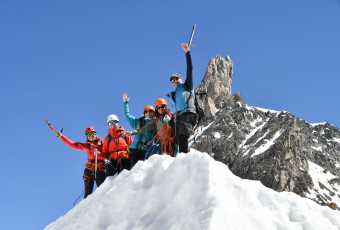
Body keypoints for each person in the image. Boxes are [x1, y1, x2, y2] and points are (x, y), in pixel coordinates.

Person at [57, 127, 106, 198]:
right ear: (87, 137)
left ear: (95, 134)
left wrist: (99, 154)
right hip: (89, 168)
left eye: (92, 134)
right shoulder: (87, 146)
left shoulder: (102, 145)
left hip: (100, 167)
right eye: (89, 135)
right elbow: (73, 144)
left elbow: (107, 155)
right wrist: (61, 136)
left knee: (103, 186)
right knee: (88, 191)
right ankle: (87, 206)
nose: (91, 136)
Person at [168, 43, 196, 153]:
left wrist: (187, 52)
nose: (174, 81)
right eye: (171, 80)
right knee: (175, 140)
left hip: (187, 113)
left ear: (181, 78)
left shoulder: (187, 85)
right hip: (178, 117)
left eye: (176, 79)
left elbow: (190, 69)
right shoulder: (174, 94)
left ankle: (185, 160)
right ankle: (178, 160)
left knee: (183, 138)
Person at [122, 93, 155, 168]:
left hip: (147, 150)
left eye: (150, 111)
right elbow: (127, 116)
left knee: (144, 170)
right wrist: (125, 103)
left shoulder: (155, 123)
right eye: (146, 111)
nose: (148, 113)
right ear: (144, 113)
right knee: (134, 170)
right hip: (135, 149)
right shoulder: (138, 122)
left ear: (154, 113)